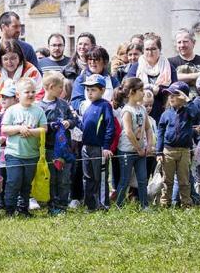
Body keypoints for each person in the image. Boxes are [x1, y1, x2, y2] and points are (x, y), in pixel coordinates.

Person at [1, 77, 47, 217]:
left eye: (33, 91)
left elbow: (44, 129)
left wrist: (31, 132)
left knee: (27, 184)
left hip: (31, 155)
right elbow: (5, 129)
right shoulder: (12, 110)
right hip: (14, 154)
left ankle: (23, 208)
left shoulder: (38, 111)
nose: (31, 94)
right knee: (13, 182)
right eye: (27, 92)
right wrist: (19, 128)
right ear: (18, 95)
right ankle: (9, 209)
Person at [156, 81, 200, 207]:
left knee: (184, 180)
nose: (171, 97)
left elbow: (197, 115)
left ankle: (186, 203)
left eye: (175, 94)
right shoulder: (166, 114)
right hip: (168, 151)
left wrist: (188, 101)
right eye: (169, 95)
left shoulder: (189, 111)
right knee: (167, 180)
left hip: (184, 151)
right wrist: (159, 152)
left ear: (183, 97)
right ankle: (165, 203)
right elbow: (160, 133)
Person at [38, 71, 76, 215]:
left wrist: (68, 123)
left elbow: (74, 120)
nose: (62, 90)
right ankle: (52, 205)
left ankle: (62, 205)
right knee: (52, 179)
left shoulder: (64, 104)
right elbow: (39, 127)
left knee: (64, 179)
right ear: (51, 87)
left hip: (64, 149)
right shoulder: (40, 107)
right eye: (60, 87)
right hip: (49, 149)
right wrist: (50, 126)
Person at [114, 77, 154, 209]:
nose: (143, 93)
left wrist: (148, 145)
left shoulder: (142, 108)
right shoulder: (127, 110)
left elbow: (148, 128)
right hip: (127, 151)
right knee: (125, 180)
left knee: (142, 179)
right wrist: (138, 148)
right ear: (132, 92)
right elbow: (128, 132)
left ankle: (144, 205)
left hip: (141, 151)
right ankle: (119, 205)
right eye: (141, 90)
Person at [80, 74, 115, 211]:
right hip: (86, 147)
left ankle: (103, 204)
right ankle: (90, 205)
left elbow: (110, 127)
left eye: (93, 90)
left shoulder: (105, 106)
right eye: (88, 90)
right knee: (87, 177)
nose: (90, 93)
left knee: (99, 177)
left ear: (102, 90)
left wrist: (106, 146)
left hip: (98, 147)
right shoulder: (88, 107)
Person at [0, 39, 42, 117]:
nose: (9, 62)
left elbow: (39, 93)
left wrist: (26, 111)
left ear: (19, 57)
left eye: (13, 58)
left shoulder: (31, 71)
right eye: (5, 59)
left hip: (28, 115)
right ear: (0, 59)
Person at [127, 33, 178, 122]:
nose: (150, 52)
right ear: (143, 50)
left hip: (164, 112)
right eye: (147, 49)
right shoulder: (136, 67)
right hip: (140, 112)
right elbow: (129, 88)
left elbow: (175, 89)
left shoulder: (169, 67)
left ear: (159, 49)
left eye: (153, 49)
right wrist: (146, 89)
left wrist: (160, 90)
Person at [0, 11, 40, 78]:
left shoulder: (27, 49)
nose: (19, 30)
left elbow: (37, 75)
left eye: (20, 26)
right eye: (15, 26)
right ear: (3, 27)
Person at [71, 46, 120, 111]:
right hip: (88, 117)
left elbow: (119, 99)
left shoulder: (112, 80)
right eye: (90, 59)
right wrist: (95, 109)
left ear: (104, 61)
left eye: (96, 59)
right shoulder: (81, 79)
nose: (92, 62)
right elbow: (76, 102)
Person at [168, 29, 200, 96]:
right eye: (179, 42)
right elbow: (172, 78)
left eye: (185, 41)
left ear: (193, 42)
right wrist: (197, 75)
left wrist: (181, 77)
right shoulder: (170, 62)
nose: (182, 45)